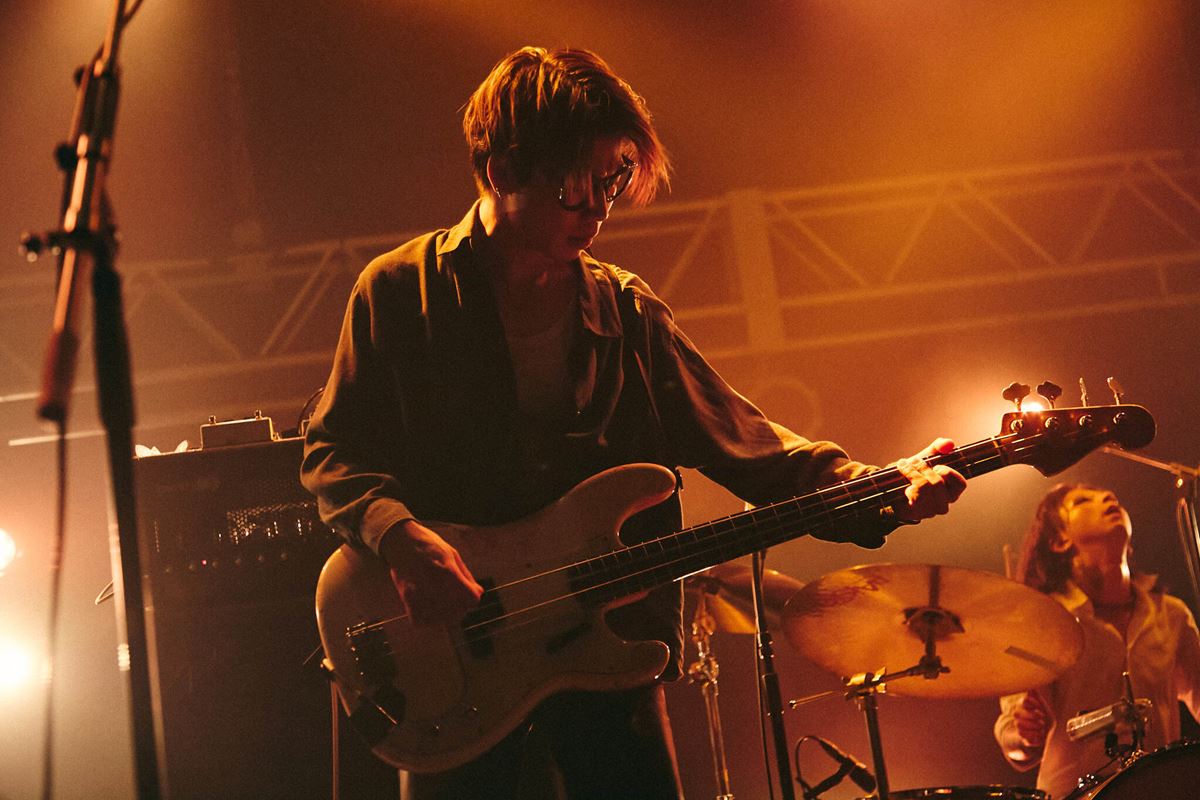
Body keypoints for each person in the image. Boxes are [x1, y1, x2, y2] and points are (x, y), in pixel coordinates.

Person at [301, 45, 966, 800]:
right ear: (503, 169)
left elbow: (751, 448)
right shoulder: (398, 292)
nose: (598, 206)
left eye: (612, 180)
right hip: (451, 667)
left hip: (607, 658)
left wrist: (880, 488)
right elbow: (332, 449)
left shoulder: (627, 313)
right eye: (576, 183)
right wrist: (397, 536)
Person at [994, 483, 1200, 799]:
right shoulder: (1042, 620)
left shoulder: (1172, 615)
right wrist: (1024, 733)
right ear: (1059, 540)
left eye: (1110, 496)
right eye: (1082, 501)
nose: (1107, 497)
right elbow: (1013, 742)